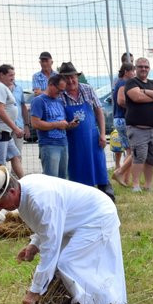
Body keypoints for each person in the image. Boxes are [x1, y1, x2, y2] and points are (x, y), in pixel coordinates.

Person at [0, 166, 127, 304]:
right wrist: (34, 245)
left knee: (69, 263)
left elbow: (50, 248)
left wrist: (34, 291)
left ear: (12, 191)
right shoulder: (25, 192)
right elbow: (45, 227)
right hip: (78, 220)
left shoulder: (40, 200)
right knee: (67, 265)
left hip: (97, 216)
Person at [58, 62, 113, 200]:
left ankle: (106, 196)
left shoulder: (87, 89)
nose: (71, 81)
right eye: (67, 78)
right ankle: (81, 199)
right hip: (73, 140)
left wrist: (102, 134)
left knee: (99, 165)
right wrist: (68, 125)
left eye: (73, 77)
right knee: (78, 168)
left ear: (77, 77)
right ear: (62, 80)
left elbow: (99, 112)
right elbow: (61, 121)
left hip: (92, 137)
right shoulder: (60, 96)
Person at [124, 57, 153, 192]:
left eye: (146, 67)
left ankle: (148, 185)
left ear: (149, 69)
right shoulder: (131, 82)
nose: (143, 69)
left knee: (152, 158)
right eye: (140, 66)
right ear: (135, 68)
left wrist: (145, 91)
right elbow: (137, 97)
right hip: (137, 129)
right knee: (139, 157)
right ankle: (135, 185)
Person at [0, 64, 25, 178]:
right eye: (10, 75)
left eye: (14, 75)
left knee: (15, 155)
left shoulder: (2, 87)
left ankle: (24, 183)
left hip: (3, 130)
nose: (13, 78)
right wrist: (15, 128)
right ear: (1, 75)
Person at [30, 74, 70, 178]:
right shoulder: (38, 101)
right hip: (49, 145)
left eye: (62, 91)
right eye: (59, 90)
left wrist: (69, 125)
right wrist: (57, 124)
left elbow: (61, 122)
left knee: (63, 179)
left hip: (63, 143)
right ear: (51, 85)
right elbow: (35, 123)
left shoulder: (60, 101)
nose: (60, 93)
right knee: (51, 180)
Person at [111, 62, 134, 176]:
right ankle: (121, 174)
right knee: (132, 152)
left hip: (118, 119)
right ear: (126, 72)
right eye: (132, 71)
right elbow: (121, 101)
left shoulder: (118, 82)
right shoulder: (123, 83)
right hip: (123, 119)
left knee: (129, 151)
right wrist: (133, 107)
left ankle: (125, 177)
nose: (134, 74)